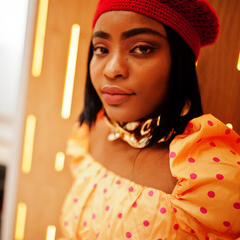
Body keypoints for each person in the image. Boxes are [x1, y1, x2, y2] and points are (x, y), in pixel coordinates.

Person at [60, 0, 240, 239]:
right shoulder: (90, 134)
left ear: (181, 64)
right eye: (101, 49)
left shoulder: (208, 174)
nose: (112, 69)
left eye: (142, 48)